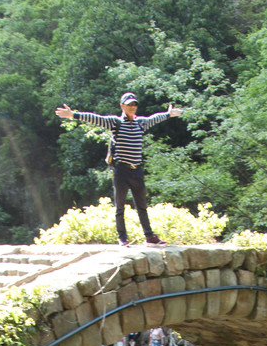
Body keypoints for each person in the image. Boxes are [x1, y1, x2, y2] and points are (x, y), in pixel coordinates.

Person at [55, 92, 182, 247]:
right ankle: (122, 238)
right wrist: (73, 115)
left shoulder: (140, 123)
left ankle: (149, 236)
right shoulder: (116, 123)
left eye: (134, 104)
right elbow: (96, 118)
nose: (133, 107)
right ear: (122, 106)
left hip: (137, 171)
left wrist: (168, 115)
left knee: (142, 205)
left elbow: (154, 119)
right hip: (121, 170)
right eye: (129, 105)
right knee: (120, 206)